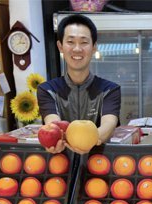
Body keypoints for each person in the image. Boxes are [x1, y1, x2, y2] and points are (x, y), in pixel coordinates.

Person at [37, 14, 121, 154]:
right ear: (60, 46)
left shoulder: (110, 90)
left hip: (99, 164)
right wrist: (56, 138)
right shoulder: (47, 90)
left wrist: (87, 141)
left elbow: (109, 125)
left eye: (84, 42)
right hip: (61, 165)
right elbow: (53, 124)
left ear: (94, 47)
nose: (77, 49)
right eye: (70, 42)